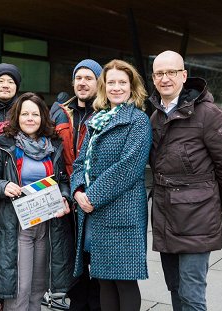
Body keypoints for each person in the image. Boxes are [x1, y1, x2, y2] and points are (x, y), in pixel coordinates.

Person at [148, 50, 222, 311]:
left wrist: (215, 202)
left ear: (184, 75)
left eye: (171, 72)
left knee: (192, 294)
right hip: (167, 216)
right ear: (153, 78)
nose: (165, 78)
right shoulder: (156, 116)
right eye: (159, 73)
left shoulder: (207, 114)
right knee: (176, 289)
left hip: (197, 218)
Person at [70, 59, 152, 311]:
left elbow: (128, 168)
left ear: (132, 86)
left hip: (123, 213)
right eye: (111, 82)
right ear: (104, 86)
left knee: (124, 282)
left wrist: (90, 197)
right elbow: (80, 162)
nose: (117, 88)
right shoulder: (97, 120)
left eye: (122, 82)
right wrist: (77, 191)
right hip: (96, 214)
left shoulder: (138, 120)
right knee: (104, 281)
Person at [0, 92, 75, 311]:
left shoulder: (53, 145)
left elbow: (62, 180)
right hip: (17, 226)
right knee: (20, 288)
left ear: (43, 117)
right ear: (17, 116)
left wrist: (64, 196)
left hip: (47, 226)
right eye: (25, 114)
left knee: (38, 287)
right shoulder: (4, 145)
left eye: (35, 114)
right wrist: (4, 186)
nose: (30, 118)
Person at [51, 58, 102, 310]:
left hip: (94, 196)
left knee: (95, 256)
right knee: (73, 256)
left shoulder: (105, 113)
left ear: (98, 82)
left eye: (88, 78)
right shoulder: (60, 112)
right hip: (66, 194)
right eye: (78, 78)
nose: (82, 83)